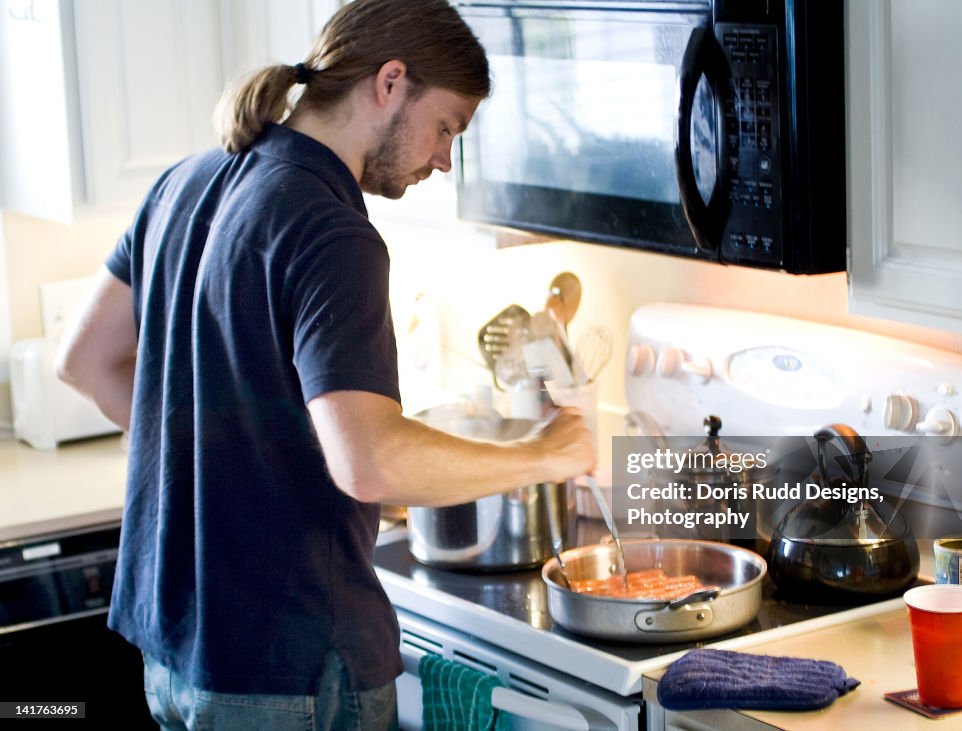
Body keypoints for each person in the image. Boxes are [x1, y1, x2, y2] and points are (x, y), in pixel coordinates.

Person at [53, 1, 595, 729]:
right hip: (290, 666)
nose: (443, 158)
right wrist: (543, 454)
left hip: (175, 653)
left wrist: (235, 460)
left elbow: (86, 361)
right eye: (447, 127)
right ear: (391, 82)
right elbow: (370, 461)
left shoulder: (187, 179)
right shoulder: (332, 229)